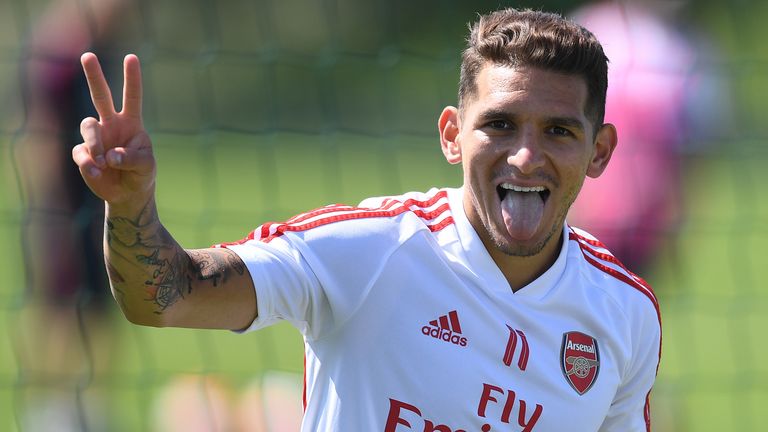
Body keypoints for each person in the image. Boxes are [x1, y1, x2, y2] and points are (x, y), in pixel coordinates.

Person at [72, 8, 661, 431]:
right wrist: (130, 207)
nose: (525, 156)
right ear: (453, 135)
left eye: (558, 131)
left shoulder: (624, 312)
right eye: (500, 125)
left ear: (601, 151)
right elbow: (167, 297)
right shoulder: (369, 250)